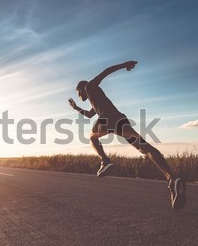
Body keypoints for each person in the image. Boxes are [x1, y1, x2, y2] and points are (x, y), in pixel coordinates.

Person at [68, 61, 186, 210]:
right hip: (118, 118)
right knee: (144, 147)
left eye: (78, 94)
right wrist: (76, 108)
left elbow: (106, 71)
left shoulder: (89, 86)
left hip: (107, 117)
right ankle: (172, 179)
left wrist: (125, 65)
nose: (78, 97)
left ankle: (105, 161)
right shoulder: (94, 98)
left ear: (80, 89)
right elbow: (90, 114)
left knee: (92, 137)